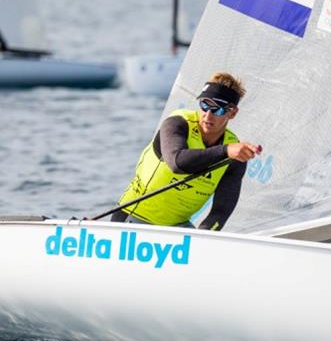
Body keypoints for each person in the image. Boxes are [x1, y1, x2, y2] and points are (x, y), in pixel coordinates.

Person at [112, 72, 262, 231]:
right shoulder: (177, 123)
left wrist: (203, 238)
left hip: (177, 227)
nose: (208, 115)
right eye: (205, 105)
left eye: (217, 109)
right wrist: (225, 151)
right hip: (134, 218)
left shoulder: (235, 152)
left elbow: (220, 212)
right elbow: (177, 162)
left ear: (232, 113)